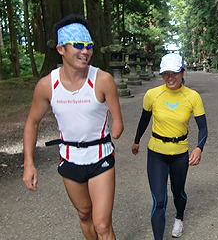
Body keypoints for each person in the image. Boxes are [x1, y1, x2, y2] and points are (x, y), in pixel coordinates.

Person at [22, 14, 124, 240]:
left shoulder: (103, 79)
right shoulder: (47, 85)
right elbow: (32, 122)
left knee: (102, 225)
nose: (85, 51)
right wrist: (29, 163)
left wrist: (115, 127)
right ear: (60, 49)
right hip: (69, 159)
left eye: (89, 46)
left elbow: (118, 122)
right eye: (78, 45)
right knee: (85, 214)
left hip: (100, 157)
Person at [131, 53, 208, 239]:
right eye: (166, 73)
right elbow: (144, 120)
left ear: (182, 72)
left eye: (174, 72)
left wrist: (199, 148)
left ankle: (179, 218)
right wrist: (136, 140)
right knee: (159, 201)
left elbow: (203, 127)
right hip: (156, 152)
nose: (170, 77)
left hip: (180, 153)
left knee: (178, 191)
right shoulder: (152, 95)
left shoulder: (192, 97)